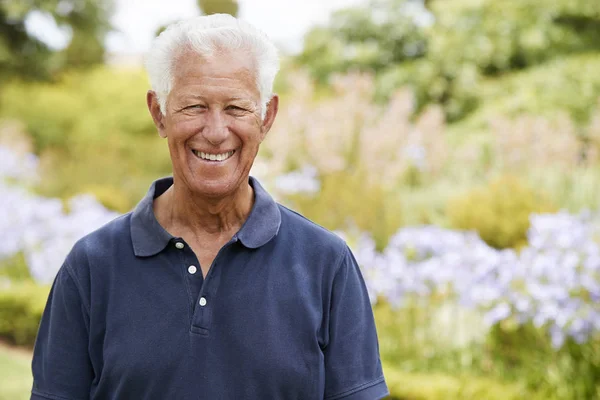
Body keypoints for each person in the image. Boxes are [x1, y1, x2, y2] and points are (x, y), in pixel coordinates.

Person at [30, 14, 388, 400]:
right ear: (159, 113)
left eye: (236, 108)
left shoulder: (326, 264)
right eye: (195, 107)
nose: (216, 133)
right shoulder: (91, 267)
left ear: (266, 118)